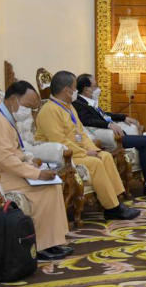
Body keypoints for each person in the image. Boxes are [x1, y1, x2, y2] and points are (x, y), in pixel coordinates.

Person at [0, 80, 73, 261]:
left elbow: (12, 151)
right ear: (14, 100)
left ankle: (52, 242)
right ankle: (39, 247)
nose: (29, 112)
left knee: (53, 185)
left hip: (2, 170)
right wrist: (37, 174)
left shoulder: (6, 118)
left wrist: (29, 159)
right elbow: (4, 159)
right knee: (44, 188)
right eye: (28, 106)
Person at [35, 70, 140, 220]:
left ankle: (116, 201)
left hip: (78, 150)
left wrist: (92, 149)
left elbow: (81, 133)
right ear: (66, 90)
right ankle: (112, 208)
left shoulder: (69, 107)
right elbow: (59, 141)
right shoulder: (49, 110)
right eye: (75, 88)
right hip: (62, 156)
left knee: (105, 156)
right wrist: (84, 153)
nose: (76, 91)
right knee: (95, 163)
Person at [73, 73, 146, 197]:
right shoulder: (79, 104)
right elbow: (87, 121)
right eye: (95, 86)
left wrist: (123, 117)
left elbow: (104, 114)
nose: (98, 89)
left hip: (118, 133)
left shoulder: (90, 102)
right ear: (86, 88)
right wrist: (108, 125)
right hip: (111, 137)